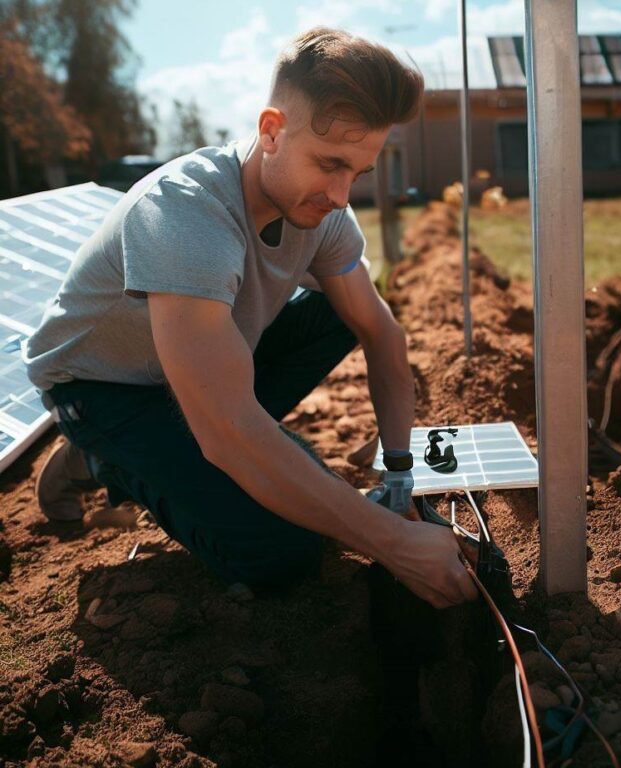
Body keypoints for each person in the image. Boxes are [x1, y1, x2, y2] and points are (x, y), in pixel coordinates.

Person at [23, 27, 477, 610]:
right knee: (282, 551)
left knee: (340, 314)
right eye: (330, 164)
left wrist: (398, 476)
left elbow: (383, 334)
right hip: (102, 386)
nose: (341, 195)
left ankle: (151, 446)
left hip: (194, 368)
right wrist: (394, 542)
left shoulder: (323, 212)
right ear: (271, 131)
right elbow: (227, 432)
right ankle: (100, 452)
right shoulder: (185, 216)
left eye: (357, 173)